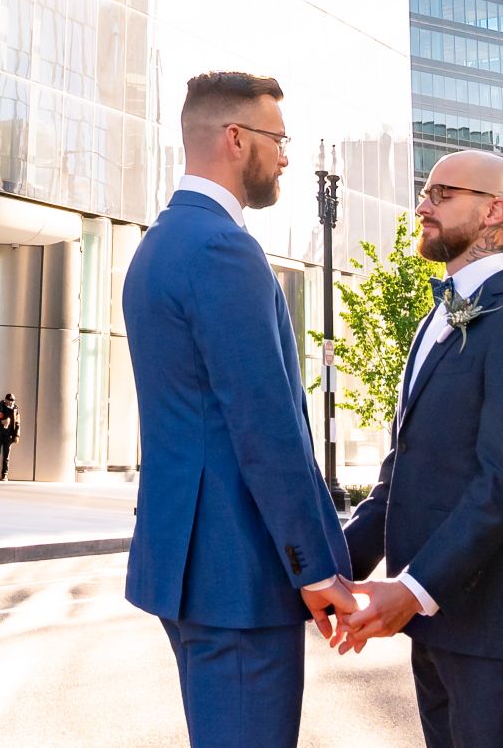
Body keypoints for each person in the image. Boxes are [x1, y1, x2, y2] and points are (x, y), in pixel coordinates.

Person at [122, 71, 354, 748]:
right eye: (278, 139)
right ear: (235, 138)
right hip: (240, 575)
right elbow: (266, 426)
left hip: (187, 565)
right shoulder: (224, 249)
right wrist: (315, 567)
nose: (285, 156)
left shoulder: (158, 246)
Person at [331, 150, 503, 748]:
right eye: (425, 190)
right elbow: (399, 481)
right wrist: (333, 568)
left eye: (443, 193)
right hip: (437, 628)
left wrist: (413, 590)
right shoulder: (432, 322)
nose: (423, 204)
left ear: (494, 211)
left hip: (500, 634)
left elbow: (502, 486)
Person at [0, 392, 21, 480]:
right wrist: (1, 422)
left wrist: (17, 435)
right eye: (10, 400)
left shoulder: (15, 409)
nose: (11, 402)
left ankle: (5, 474)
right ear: (6, 400)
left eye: (13, 400)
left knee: (6, 456)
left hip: (9, 435)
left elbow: (18, 423)